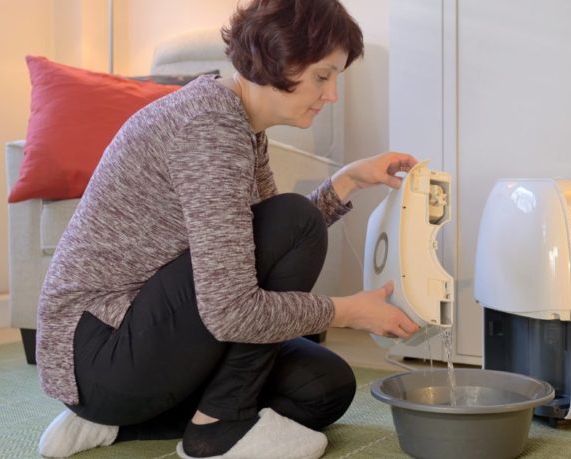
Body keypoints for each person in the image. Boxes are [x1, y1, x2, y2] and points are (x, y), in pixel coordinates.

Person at [35, 0, 420, 458]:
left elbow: (263, 247)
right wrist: (346, 312)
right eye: (322, 76)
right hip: (100, 352)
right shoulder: (209, 126)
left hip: (136, 348)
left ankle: (117, 425)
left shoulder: (238, 123)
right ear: (276, 58)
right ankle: (218, 429)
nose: (331, 94)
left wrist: (349, 180)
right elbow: (232, 308)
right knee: (294, 219)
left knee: (325, 387)